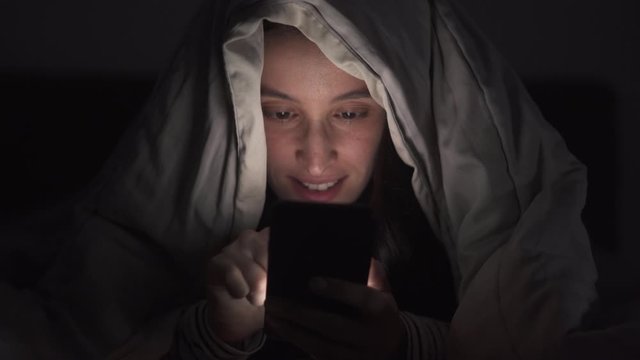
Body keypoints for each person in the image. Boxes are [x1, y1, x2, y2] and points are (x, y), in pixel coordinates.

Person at [0, 0, 599, 359]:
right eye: (281, 112)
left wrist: (403, 346)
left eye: (349, 112)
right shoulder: (209, 208)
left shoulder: (443, 239)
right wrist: (218, 333)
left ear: (398, 116)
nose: (315, 158)